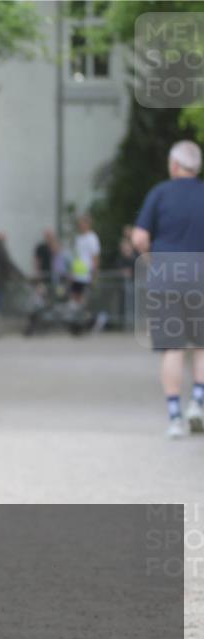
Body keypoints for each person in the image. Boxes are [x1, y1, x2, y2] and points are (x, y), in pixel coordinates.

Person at [131, 139, 204, 439]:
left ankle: (174, 416)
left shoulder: (159, 193)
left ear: (175, 165)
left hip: (166, 276)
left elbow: (138, 238)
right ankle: (198, 402)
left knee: (172, 347)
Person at [69, 214, 100, 307]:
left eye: (82, 223)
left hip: (86, 275)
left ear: (87, 224)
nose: (80, 225)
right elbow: (76, 257)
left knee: (84, 301)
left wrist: (94, 275)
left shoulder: (92, 238)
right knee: (75, 299)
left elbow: (95, 257)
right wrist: (71, 273)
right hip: (77, 275)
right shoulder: (79, 238)